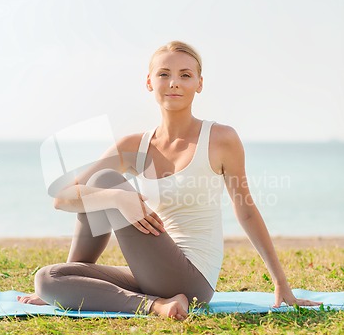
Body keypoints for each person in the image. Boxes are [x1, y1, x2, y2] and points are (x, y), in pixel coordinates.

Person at [18, 41, 321, 320]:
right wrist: (117, 198)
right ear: (149, 82)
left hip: (193, 281)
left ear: (199, 84)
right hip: (152, 271)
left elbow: (247, 210)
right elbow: (63, 198)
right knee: (48, 278)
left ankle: (159, 303)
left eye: (185, 75)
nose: (174, 82)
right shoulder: (133, 145)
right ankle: (119, 291)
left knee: (105, 179)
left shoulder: (220, 139)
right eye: (164, 74)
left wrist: (281, 283)